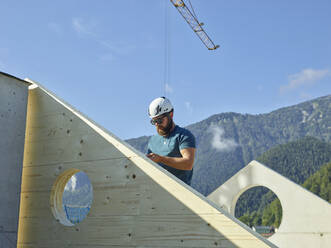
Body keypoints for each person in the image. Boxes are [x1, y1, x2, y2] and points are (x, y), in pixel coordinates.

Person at [146, 97, 196, 185]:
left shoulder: (184, 135)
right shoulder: (152, 141)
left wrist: (160, 159)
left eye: (160, 120)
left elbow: (188, 163)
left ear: (171, 114)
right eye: (154, 121)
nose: (157, 124)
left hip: (181, 194)